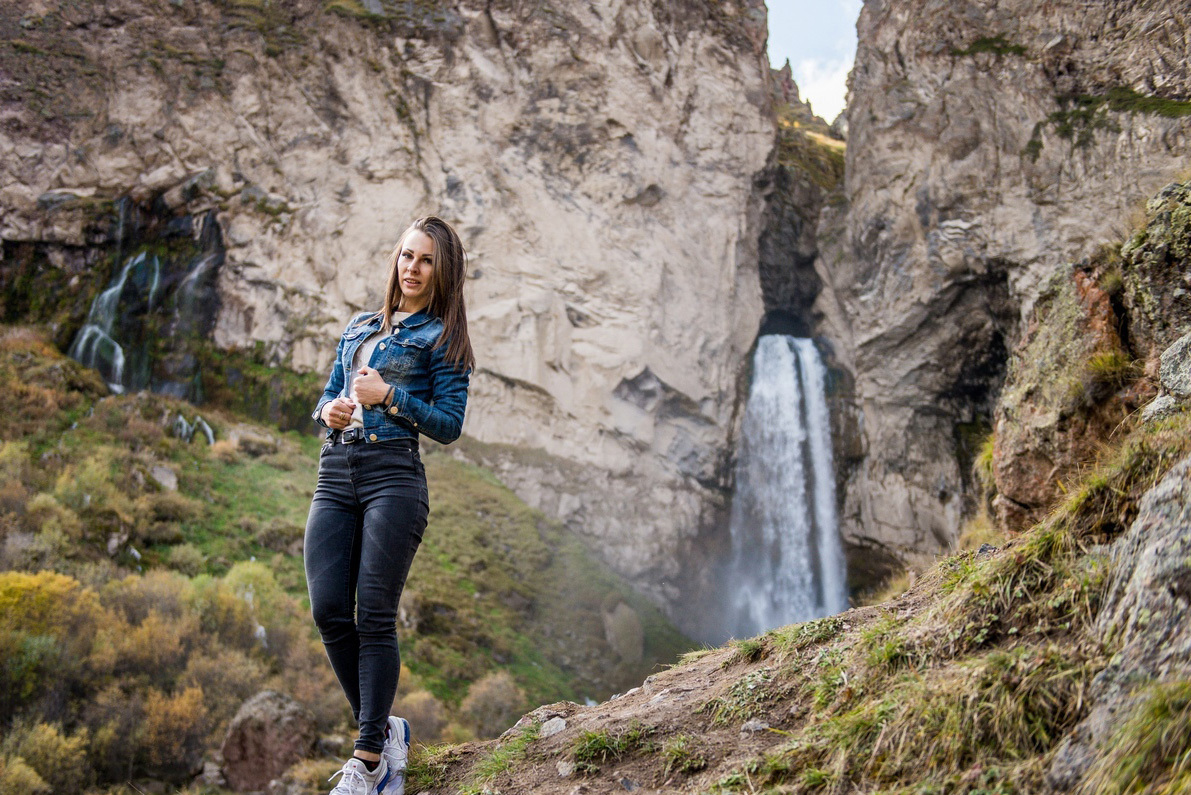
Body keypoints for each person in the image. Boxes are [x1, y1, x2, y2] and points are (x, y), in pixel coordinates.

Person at [304, 216, 474, 795]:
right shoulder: (359, 325)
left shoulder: (443, 339)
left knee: (374, 611)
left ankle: (370, 759)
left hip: (393, 476)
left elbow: (450, 424)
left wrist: (391, 398)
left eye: (426, 260)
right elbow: (331, 391)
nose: (412, 268)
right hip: (335, 470)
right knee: (329, 609)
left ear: (441, 271)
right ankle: (386, 730)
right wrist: (329, 411)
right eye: (406, 255)